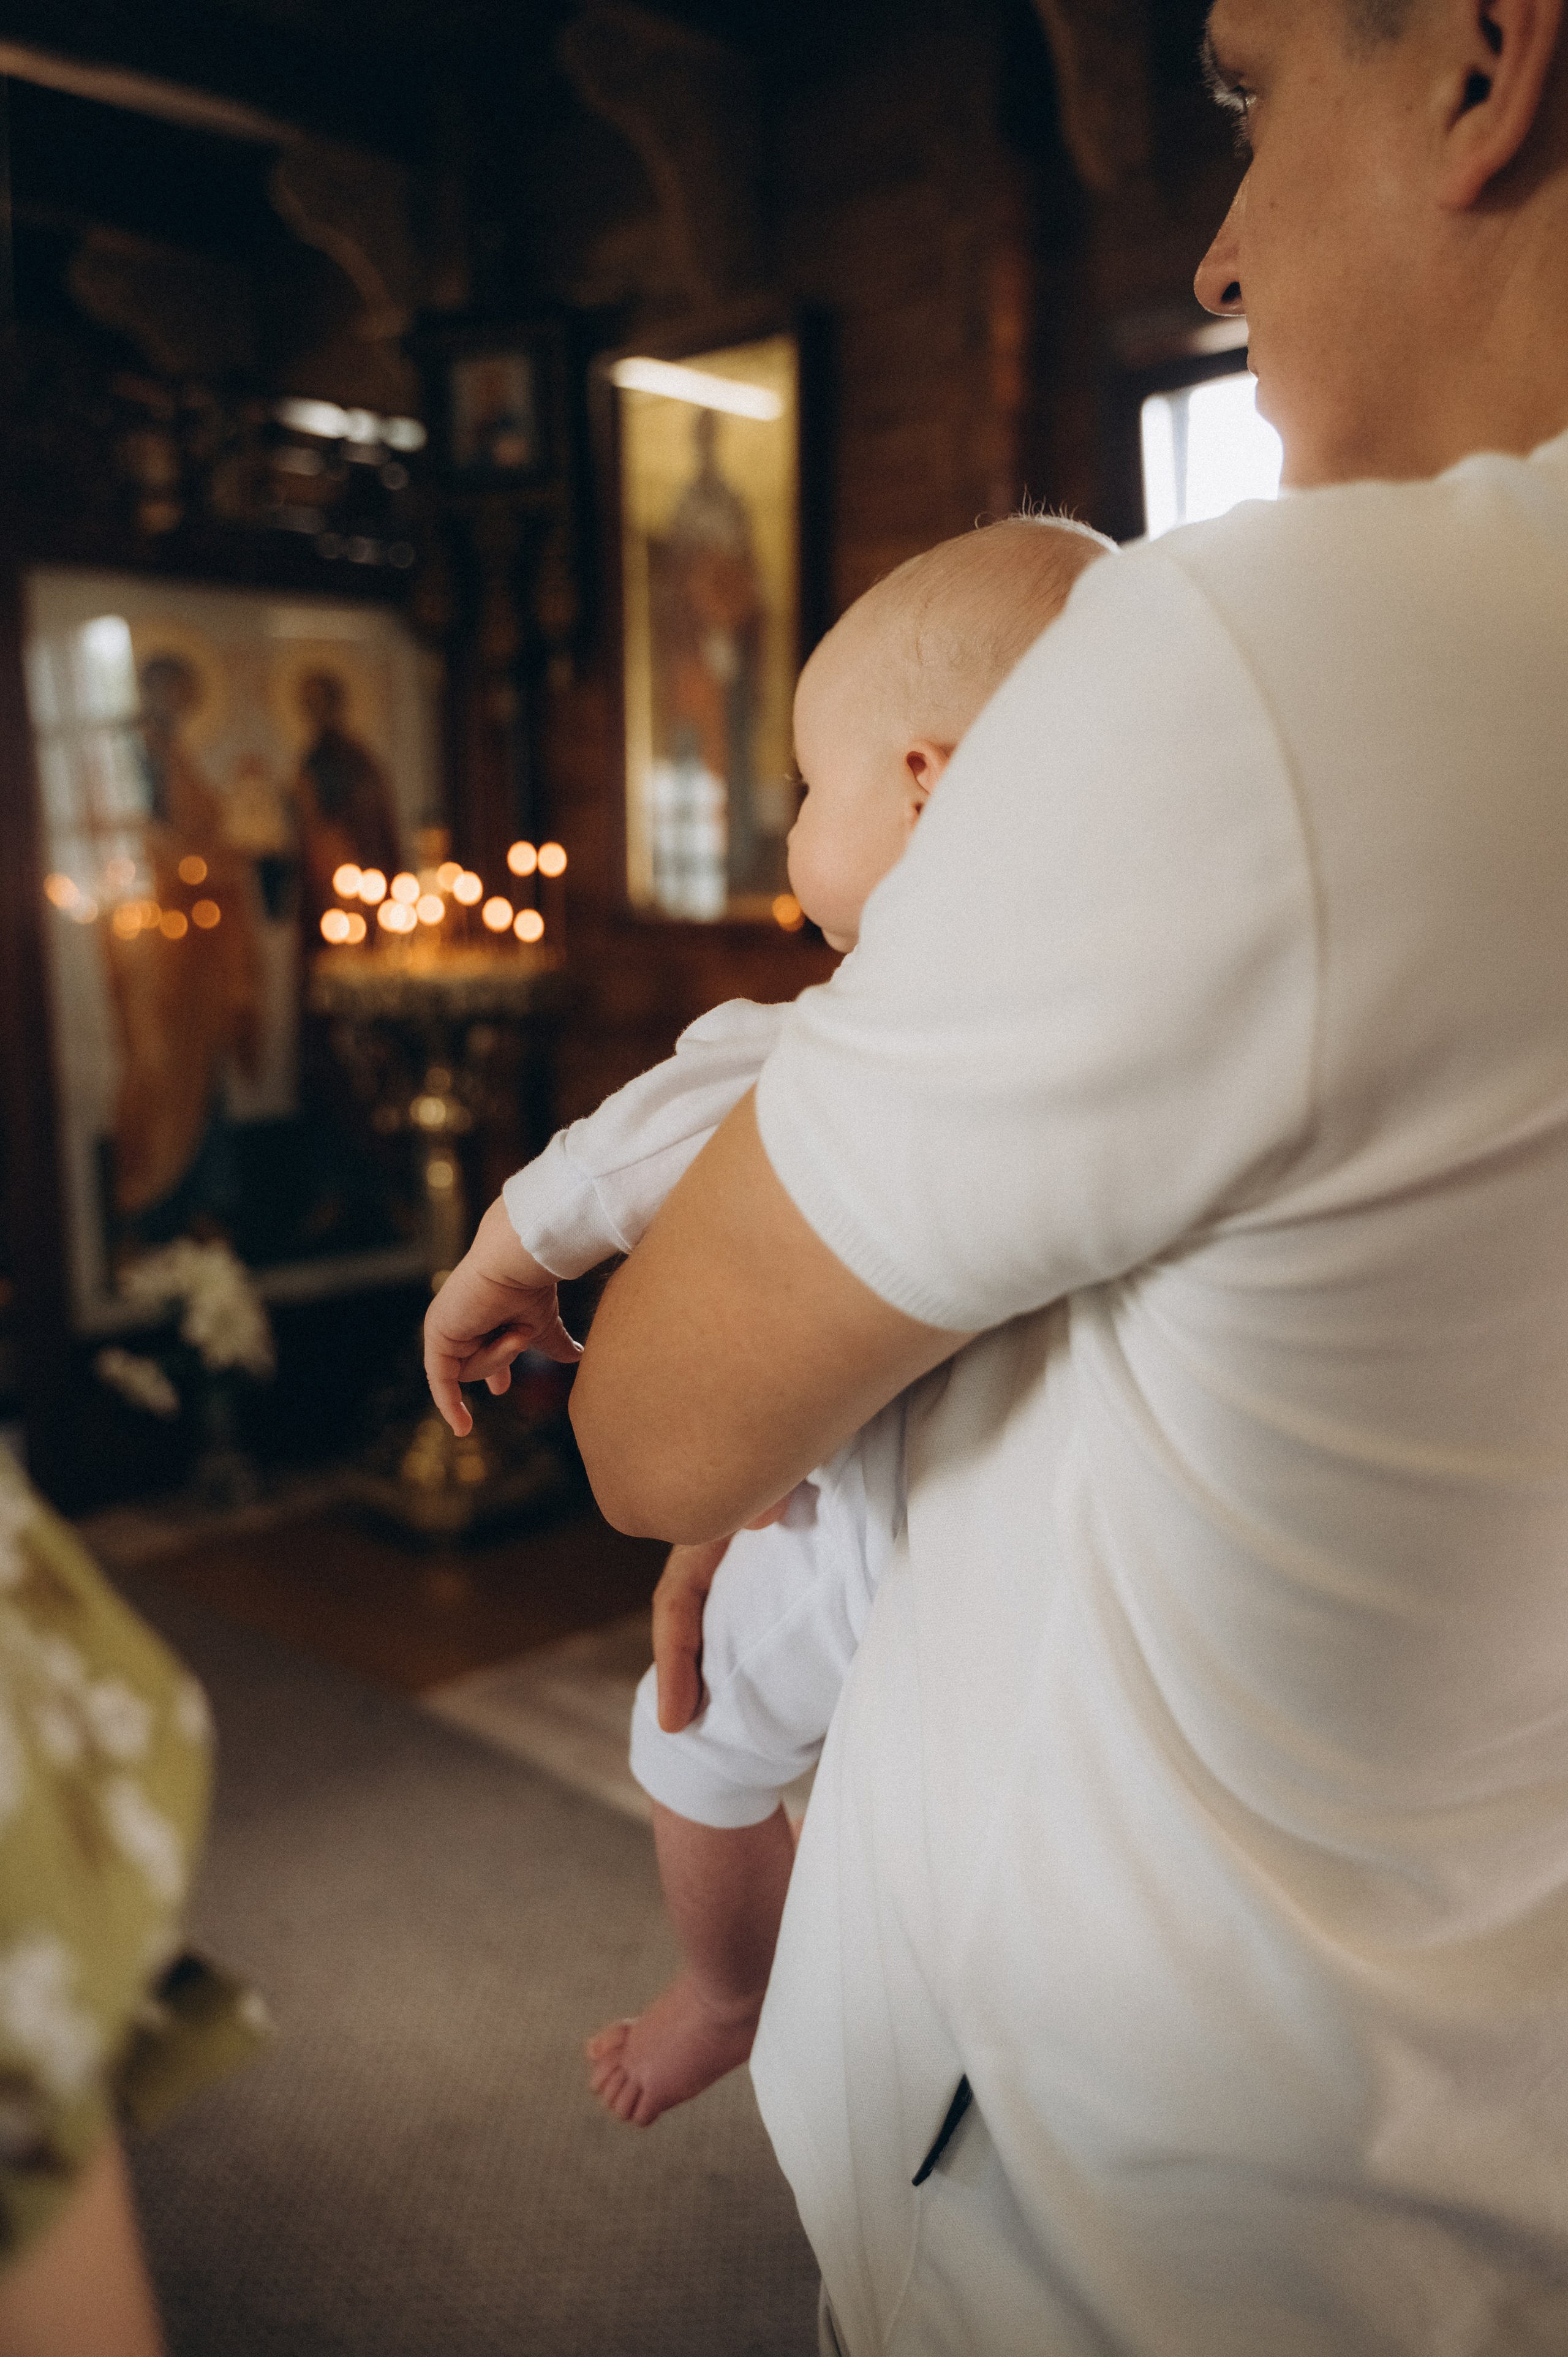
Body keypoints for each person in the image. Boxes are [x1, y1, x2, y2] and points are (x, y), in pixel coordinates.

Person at [507, 1, 1566, 2349]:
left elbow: (656, 1426)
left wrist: (746, 1397)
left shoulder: (1275, 667)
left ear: (1488, 67)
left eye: (1255, 95)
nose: (1215, 252)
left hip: (1141, 2220)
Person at [445, 518, 1105, 2130]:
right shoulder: (1115, 999)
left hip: (856, 1511)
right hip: (1054, 1541)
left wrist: (495, 1262)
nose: (797, 819)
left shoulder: (840, 1034)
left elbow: (622, 1158)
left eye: (816, 785)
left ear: (930, 782)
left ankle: (730, 1989)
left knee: (696, 1737)